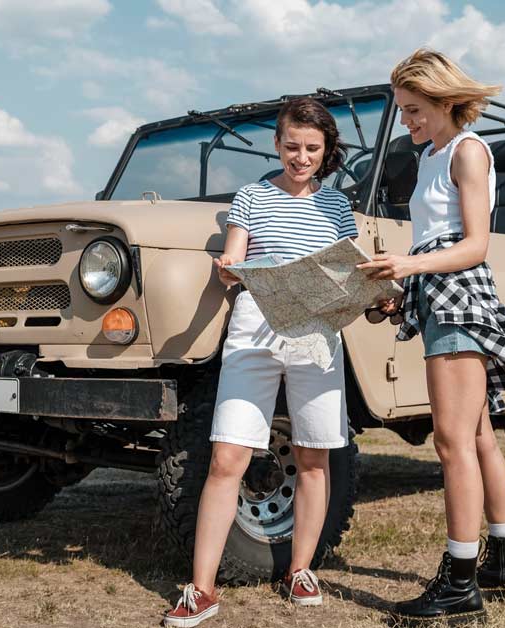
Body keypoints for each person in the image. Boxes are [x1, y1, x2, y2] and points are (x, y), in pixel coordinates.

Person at [357, 49, 505, 624]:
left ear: (444, 100)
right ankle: (504, 562)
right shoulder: (432, 157)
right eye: (403, 111)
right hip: (438, 293)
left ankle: (460, 583)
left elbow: (475, 246)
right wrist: (400, 281)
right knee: (480, 436)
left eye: (414, 110)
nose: (408, 122)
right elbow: (435, 239)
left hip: (459, 299)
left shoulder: (468, 151)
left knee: (451, 444)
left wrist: (408, 268)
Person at [163, 97, 359, 628]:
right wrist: (227, 268)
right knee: (228, 456)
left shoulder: (338, 207)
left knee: (315, 456)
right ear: (276, 143)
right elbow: (233, 261)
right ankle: (201, 589)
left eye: (312, 149)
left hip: (317, 331)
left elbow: (346, 272)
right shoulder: (251, 196)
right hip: (255, 324)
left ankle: (301, 570)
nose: (301, 157)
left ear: (326, 150)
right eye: (292, 146)